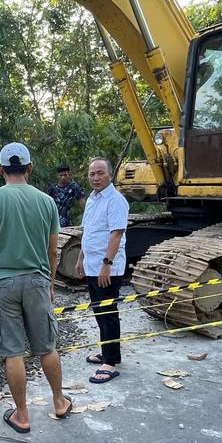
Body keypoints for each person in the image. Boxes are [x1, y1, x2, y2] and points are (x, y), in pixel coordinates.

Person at [0, 142, 73, 433]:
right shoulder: (46, 202)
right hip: (37, 281)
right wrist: (50, 284)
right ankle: (59, 401)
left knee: (13, 352)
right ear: (29, 168)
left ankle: (22, 415)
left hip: (2, 284)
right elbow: (53, 251)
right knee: (47, 346)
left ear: (0, 168)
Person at [76, 157, 129, 383]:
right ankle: (107, 352)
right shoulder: (92, 199)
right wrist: (81, 258)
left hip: (107, 268)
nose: (95, 178)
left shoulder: (115, 200)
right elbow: (87, 231)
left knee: (108, 313)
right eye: (92, 174)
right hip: (91, 265)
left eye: (100, 173)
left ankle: (110, 362)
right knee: (98, 311)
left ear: (110, 175)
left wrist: (106, 265)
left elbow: (116, 234)